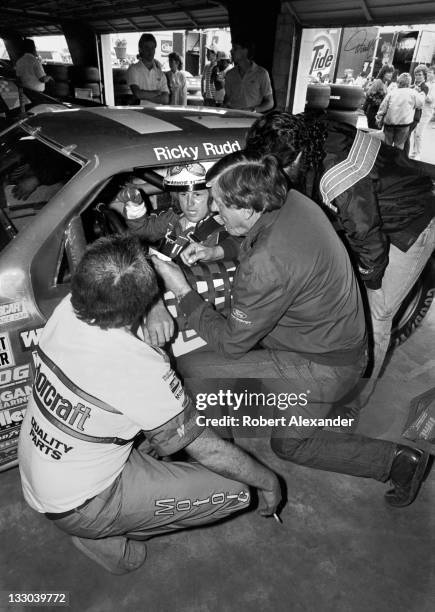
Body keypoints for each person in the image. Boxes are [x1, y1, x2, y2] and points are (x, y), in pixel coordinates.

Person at [152, 151, 430, 508]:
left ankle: (398, 462)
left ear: (249, 207)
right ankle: (235, 435)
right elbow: (253, 237)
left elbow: (231, 344)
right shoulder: (291, 200)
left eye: (220, 206)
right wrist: (214, 253)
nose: (214, 213)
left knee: (286, 442)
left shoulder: (267, 265)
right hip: (332, 342)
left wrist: (183, 292)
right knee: (217, 370)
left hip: (323, 366)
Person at [18, 234, 281, 575]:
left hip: (41, 470)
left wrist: (154, 305)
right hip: (81, 504)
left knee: (149, 426)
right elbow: (208, 450)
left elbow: (128, 261)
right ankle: (102, 534)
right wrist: (270, 481)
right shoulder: (137, 365)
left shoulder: (68, 310)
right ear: (138, 304)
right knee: (236, 489)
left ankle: (104, 515)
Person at [244, 110, 435, 410]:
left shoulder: (337, 179)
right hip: (377, 199)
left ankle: (355, 398)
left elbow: (370, 248)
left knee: (376, 314)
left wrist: (362, 285)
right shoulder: (302, 131)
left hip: (411, 218)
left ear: (295, 160)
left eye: (276, 173)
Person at [122, 162, 240, 261]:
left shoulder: (222, 228)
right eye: (183, 194)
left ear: (212, 196)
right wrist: (134, 206)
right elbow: (143, 232)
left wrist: (214, 252)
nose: (189, 203)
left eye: (197, 195)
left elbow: (242, 244)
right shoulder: (173, 218)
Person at [224, 38, 274, 113]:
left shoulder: (261, 73)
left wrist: (253, 110)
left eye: (235, 48)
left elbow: (270, 103)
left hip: (252, 120)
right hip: (231, 118)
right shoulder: (229, 74)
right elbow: (227, 98)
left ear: (245, 51)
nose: (231, 51)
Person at [376, 72, 423, 149]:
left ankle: (385, 159)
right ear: (409, 83)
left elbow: (382, 108)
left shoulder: (392, 93)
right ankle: (395, 160)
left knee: (386, 145)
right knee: (399, 147)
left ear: (399, 82)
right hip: (404, 124)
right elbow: (420, 104)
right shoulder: (413, 93)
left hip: (389, 123)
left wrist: (379, 119)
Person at [126, 33, 169, 105]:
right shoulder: (133, 69)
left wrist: (144, 96)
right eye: (147, 47)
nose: (150, 51)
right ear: (140, 49)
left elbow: (165, 99)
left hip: (157, 115)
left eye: (152, 48)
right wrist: (157, 93)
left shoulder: (160, 74)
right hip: (138, 114)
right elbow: (138, 94)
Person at [410, 64, 434, 160]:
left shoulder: (433, 86)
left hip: (427, 111)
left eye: (431, 73)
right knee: (415, 132)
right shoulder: (426, 84)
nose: (429, 74)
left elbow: (431, 100)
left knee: (419, 133)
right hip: (420, 110)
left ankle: (418, 153)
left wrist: (422, 93)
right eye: (428, 73)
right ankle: (414, 152)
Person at [363, 64, 394, 128]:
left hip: (378, 112)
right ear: (383, 73)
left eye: (391, 72)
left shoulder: (384, 83)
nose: (390, 74)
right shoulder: (378, 82)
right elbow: (368, 95)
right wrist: (380, 103)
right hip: (373, 112)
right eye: (388, 72)